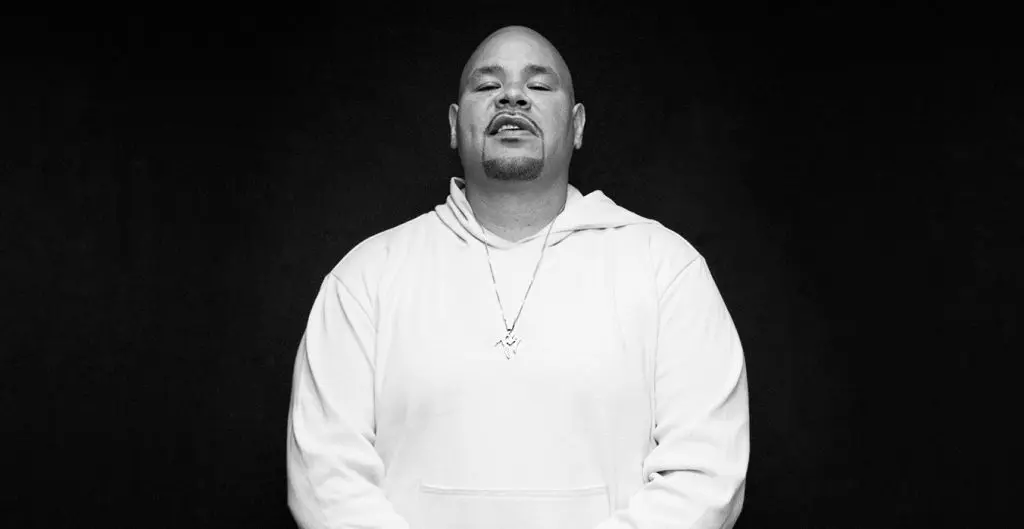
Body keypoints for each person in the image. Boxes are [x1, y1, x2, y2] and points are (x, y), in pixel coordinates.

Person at [286, 25, 750, 529]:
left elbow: (705, 476)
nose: (512, 96)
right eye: (488, 85)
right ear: (454, 124)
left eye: (539, 85)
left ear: (577, 125)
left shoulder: (666, 270)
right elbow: (325, 479)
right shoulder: (366, 277)